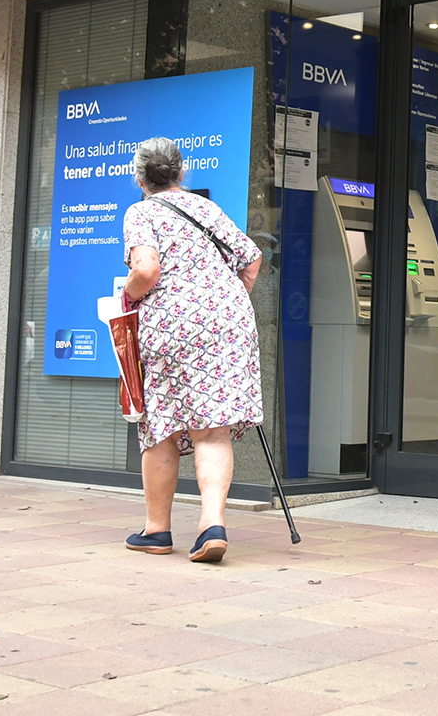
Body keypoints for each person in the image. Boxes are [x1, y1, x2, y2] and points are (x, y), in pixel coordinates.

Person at [118, 137, 263, 562]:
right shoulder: (207, 208)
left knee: (161, 423)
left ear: (140, 178)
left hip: (171, 325)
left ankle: (157, 530)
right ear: (182, 173)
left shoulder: (141, 212)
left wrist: (128, 296)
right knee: (212, 427)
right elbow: (250, 258)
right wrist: (226, 300)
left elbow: (146, 269)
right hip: (228, 323)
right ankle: (211, 525)